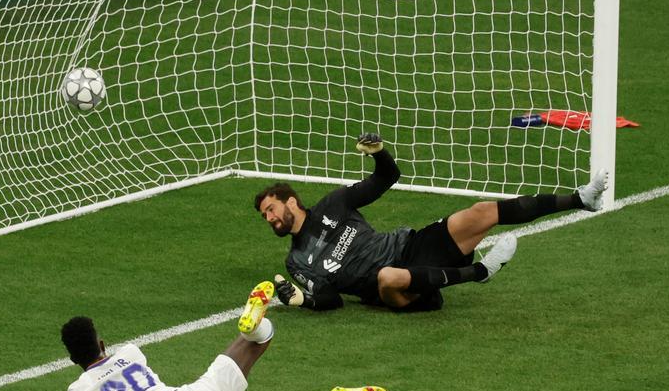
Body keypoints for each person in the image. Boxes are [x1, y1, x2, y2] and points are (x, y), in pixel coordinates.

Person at [255, 133, 609, 312]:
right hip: (392, 291)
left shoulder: (335, 202)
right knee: (387, 275)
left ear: (291, 202)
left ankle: (580, 199)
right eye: (265, 216)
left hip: (410, 247)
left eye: (271, 209)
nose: (270, 218)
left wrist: (379, 153)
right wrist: (301, 298)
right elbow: (331, 299)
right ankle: (480, 273)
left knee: (481, 211)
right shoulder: (296, 261)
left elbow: (388, 176)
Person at [28, 281, 387, 391]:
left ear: (73, 360)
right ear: (103, 344)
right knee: (258, 341)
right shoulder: (131, 353)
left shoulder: (81, 390)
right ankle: (252, 324)